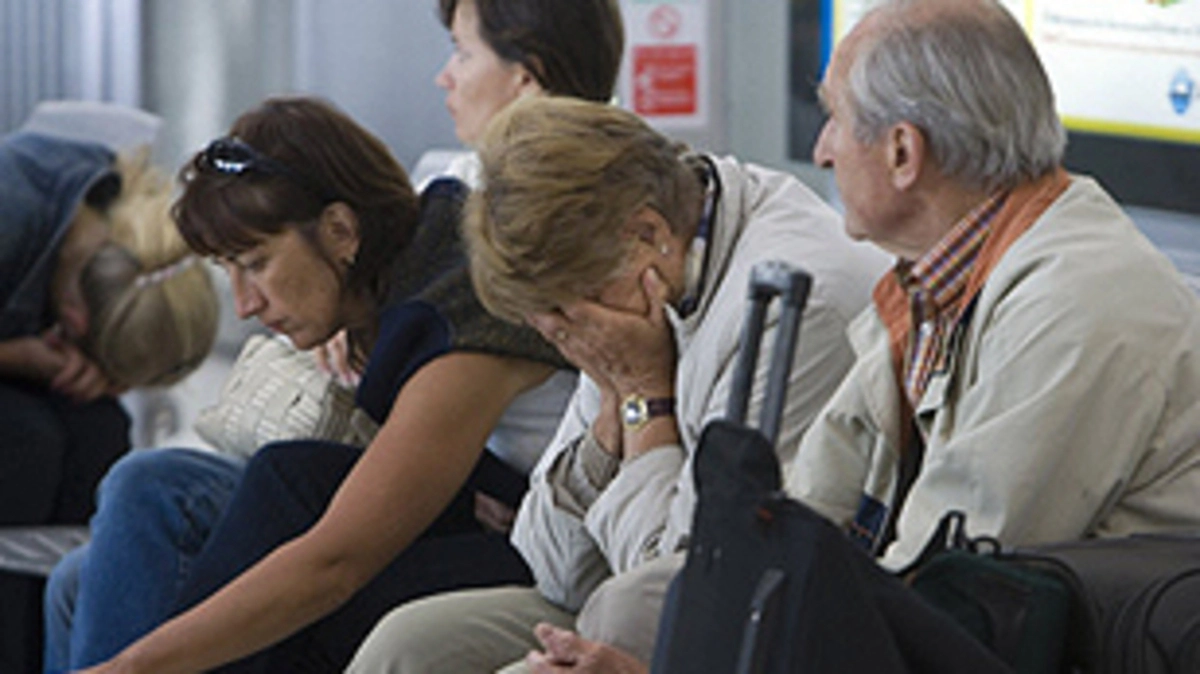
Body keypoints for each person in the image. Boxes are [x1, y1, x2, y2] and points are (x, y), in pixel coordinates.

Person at [454, 0, 1200, 670]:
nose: (820, 151)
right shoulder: (927, 289)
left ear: (902, 152)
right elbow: (792, 525)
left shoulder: (1076, 305)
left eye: (835, 119)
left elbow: (944, 600)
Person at [47, 1, 626, 669]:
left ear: (343, 231)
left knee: (278, 511)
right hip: (469, 510)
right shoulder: (421, 246)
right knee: (151, 490)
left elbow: (336, 563)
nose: (244, 305)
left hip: (542, 552)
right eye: (229, 271)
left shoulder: (465, 307)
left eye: (256, 264)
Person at [347, 95, 889, 672]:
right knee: (407, 644)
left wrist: (645, 394)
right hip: (626, 584)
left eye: (565, 308)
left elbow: (687, 591)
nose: (562, 333)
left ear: (647, 233)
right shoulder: (632, 276)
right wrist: (611, 414)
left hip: (761, 624)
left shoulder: (787, 305)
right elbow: (550, 567)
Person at [0, 130, 218, 527]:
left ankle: (75, 566)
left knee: (102, 430)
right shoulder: (11, 211)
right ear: (75, 318)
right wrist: (17, 358)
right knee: (25, 441)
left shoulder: (101, 209)